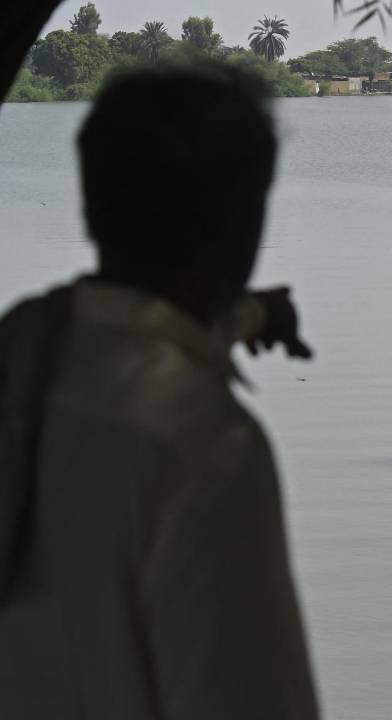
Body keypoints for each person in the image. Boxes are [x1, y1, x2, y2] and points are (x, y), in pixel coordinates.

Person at [0, 65, 318, 718]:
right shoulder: (206, 450)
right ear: (247, 221)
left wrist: (249, 315)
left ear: (91, 203)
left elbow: (123, 327)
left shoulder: (22, 346)